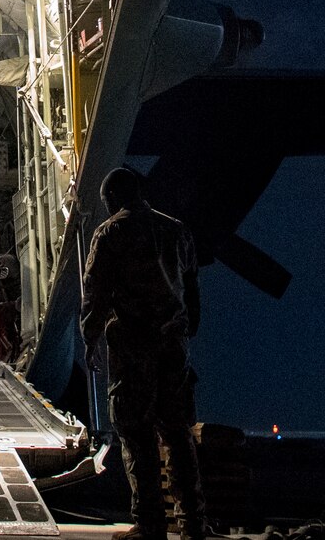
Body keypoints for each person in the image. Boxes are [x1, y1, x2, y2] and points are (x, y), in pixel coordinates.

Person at [80, 167, 205, 540]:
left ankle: (150, 524)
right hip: (173, 347)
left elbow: (95, 292)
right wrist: (187, 328)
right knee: (178, 434)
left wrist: (90, 338)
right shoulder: (177, 230)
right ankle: (193, 523)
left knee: (137, 434)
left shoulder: (110, 233)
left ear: (112, 199)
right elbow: (192, 285)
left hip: (133, 348)